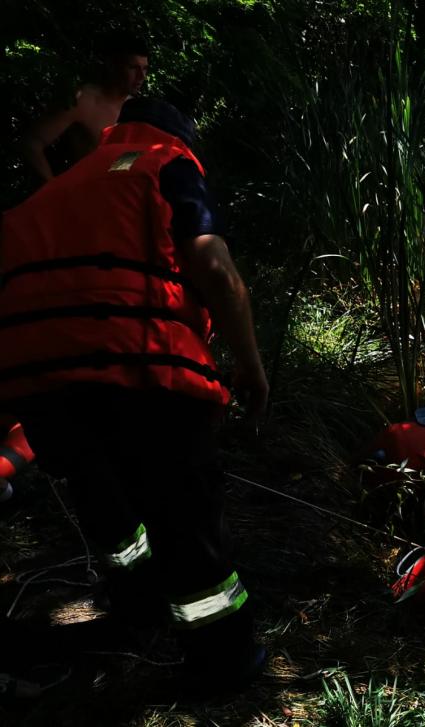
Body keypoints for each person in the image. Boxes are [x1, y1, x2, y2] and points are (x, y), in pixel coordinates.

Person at [0, 97, 269, 693]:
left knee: (105, 500)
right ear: (182, 137)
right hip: (141, 371)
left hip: (37, 380)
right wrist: (250, 367)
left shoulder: (56, 187)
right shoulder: (167, 164)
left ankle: (137, 608)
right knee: (183, 513)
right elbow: (215, 269)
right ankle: (222, 657)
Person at [22, 31, 149, 182]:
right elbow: (31, 143)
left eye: (145, 69)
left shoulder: (137, 110)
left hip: (111, 192)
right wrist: (54, 189)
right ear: (113, 65)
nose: (141, 76)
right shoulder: (83, 100)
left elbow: (123, 162)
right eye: (133, 68)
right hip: (78, 189)